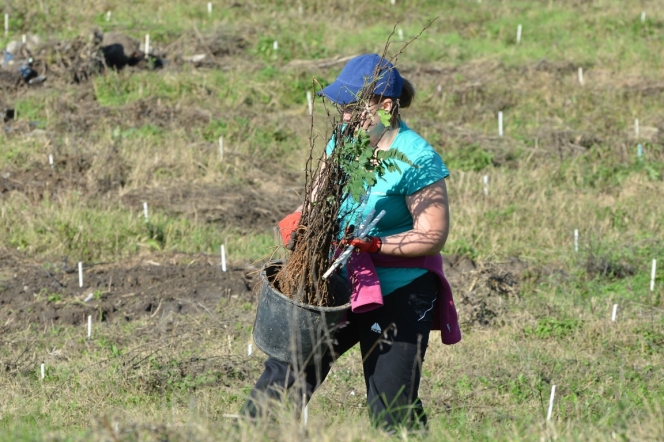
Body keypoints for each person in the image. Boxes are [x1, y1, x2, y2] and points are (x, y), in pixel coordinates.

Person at [241, 53, 460, 432]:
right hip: (336, 280)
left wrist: (374, 246)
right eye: (342, 107)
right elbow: (315, 202)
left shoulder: (418, 158)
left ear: (386, 106)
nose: (344, 116)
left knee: (391, 405)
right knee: (285, 373)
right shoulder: (343, 142)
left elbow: (432, 234)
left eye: (352, 107)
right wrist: (302, 223)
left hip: (401, 291)